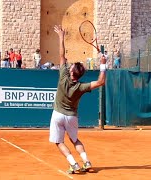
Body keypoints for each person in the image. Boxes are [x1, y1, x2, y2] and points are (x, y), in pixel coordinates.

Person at [50, 25, 106, 174]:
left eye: (71, 65)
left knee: (59, 142)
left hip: (58, 115)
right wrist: (103, 65)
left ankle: (74, 164)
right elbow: (100, 82)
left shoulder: (63, 76)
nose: (69, 65)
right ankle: (86, 161)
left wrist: (61, 37)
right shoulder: (81, 86)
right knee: (75, 140)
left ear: (71, 71)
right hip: (72, 117)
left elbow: (62, 56)